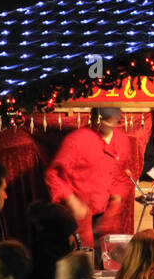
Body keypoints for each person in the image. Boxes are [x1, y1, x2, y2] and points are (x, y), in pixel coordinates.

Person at [45, 108, 138, 266]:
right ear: (93, 117)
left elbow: (122, 176)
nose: (105, 124)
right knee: (80, 268)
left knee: (109, 265)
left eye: (111, 120)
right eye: (101, 119)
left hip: (106, 218)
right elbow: (53, 175)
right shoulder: (76, 140)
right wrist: (71, 200)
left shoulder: (122, 141)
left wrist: (116, 201)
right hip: (79, 219)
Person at [25, 200, 79, 279]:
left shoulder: (36, 250)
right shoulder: (56, 263)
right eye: (72, 233)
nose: (74, 238)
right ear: (62, 236)